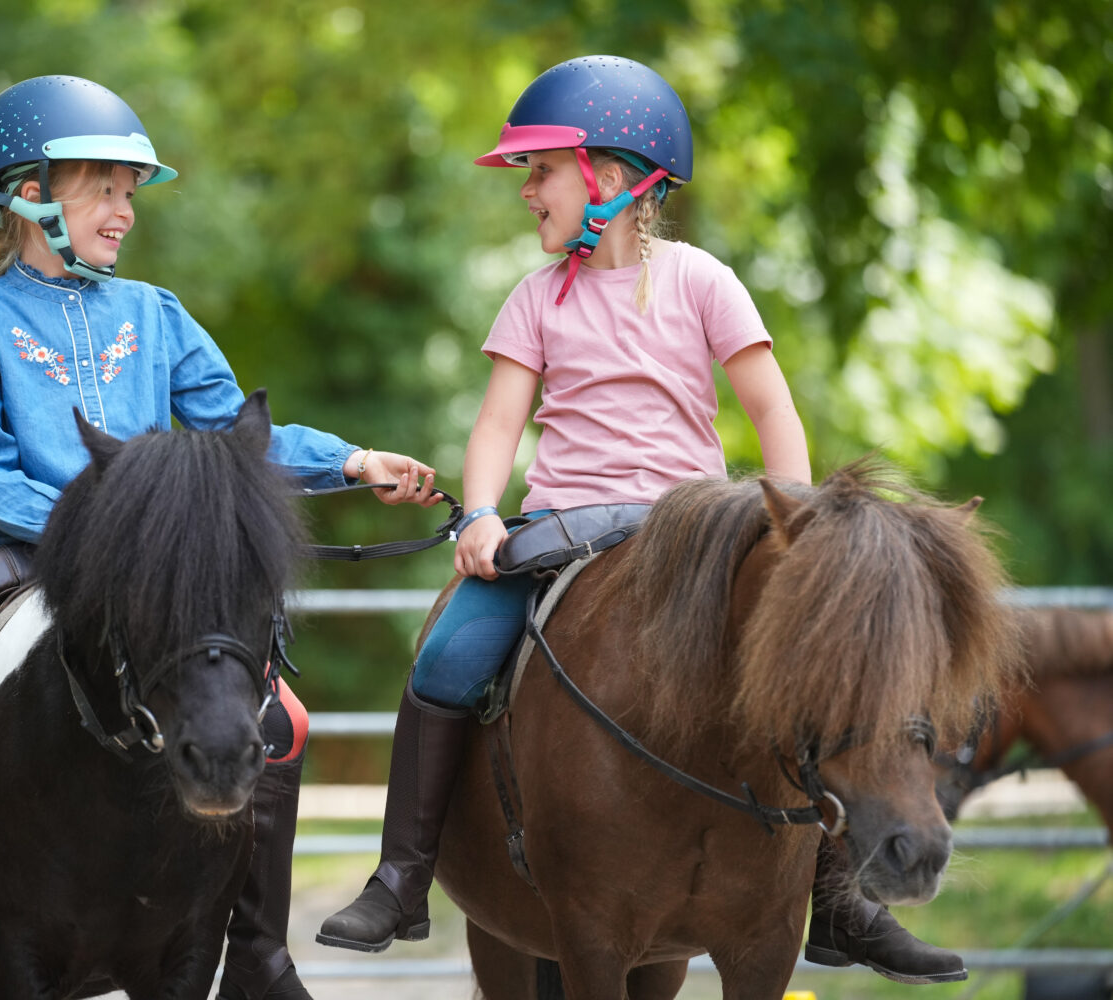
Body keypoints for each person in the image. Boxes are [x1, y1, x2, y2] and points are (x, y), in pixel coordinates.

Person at [0, 75, 440, 1000]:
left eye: (130, 193)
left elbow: (234, 432)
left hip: (147, 574)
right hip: (11, 552)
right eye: (105, 188)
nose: (124, 212)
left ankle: (258, 949)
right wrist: (100, 533)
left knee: (281, 720)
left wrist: (353, 462)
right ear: (29, 195)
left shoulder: (158, 316)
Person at [317, 54, 967, 986]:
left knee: (809, 677)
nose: (525, 190)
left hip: (696, 536)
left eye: (539, 170)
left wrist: (800, 533)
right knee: (446, 660)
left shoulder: (704, 280)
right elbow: (500, 420)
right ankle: (402, 876)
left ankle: (841, 902)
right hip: (564, 530)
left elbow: (772, 410)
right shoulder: (537, 298)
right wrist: (486, 512)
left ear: (612, 179)